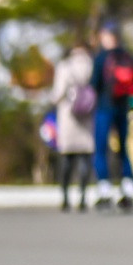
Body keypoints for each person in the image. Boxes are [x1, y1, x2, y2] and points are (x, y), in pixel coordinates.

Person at [89, 23, 133, 212]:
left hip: (105, 108)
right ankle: (127, 182)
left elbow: (93, 85)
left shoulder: (101, 58)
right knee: (124, 148)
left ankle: (104, 185)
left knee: (100, 147)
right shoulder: (128, 56)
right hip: (124, 108)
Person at [50, 42, 96, 212]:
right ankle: (83, 197)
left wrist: (52, 102)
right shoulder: (92, 65)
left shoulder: (65, 67)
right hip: (87, 116)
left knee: (67, 157)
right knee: (84, 157)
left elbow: (58, 92)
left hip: (68, 116)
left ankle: (65, 197)